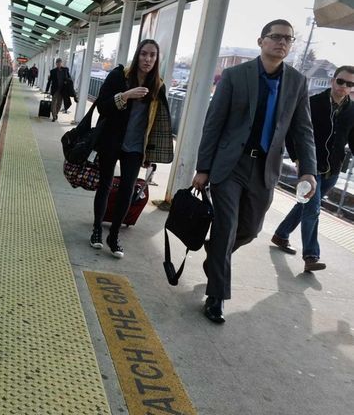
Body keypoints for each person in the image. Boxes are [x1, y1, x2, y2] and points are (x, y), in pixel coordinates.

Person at [192, 19, 317, 324]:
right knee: (226, 226)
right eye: (276, 37)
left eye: (288, 39)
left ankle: (215, 254)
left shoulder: (298, 83)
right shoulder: (236, 76)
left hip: (264, 169)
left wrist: (308, 171)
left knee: (249, 230)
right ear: (261, 41)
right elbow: (214, 123)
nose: (282, 43)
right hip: (230, 166)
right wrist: (203, 168)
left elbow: (302, 131)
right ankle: (217, 296)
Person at [91, 39, 174, 258]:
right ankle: (98, 230)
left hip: (136, 146)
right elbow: (102, 106)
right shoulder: (119, 76)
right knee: (105, 185)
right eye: (144, 54)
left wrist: (151, 152)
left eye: (152, 55)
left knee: (127, 190)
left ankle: (114, 235)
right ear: (137, 55)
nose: (147, 59)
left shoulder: (159, 85)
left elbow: (158, 122)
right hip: (112, 140)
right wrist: (126, 95)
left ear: (157, 59)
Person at [272, 65, 354, 272]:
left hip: (333, 169)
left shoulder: (352, 111)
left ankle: (281, 234)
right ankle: (311, 256)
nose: (344, 87)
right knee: (313, 210)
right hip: (310, 165)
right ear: (332, 80)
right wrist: (298, 158)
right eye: (341, 81)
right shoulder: (312, 103)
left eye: (349, 84)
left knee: (305, 204)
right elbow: (293, 132)